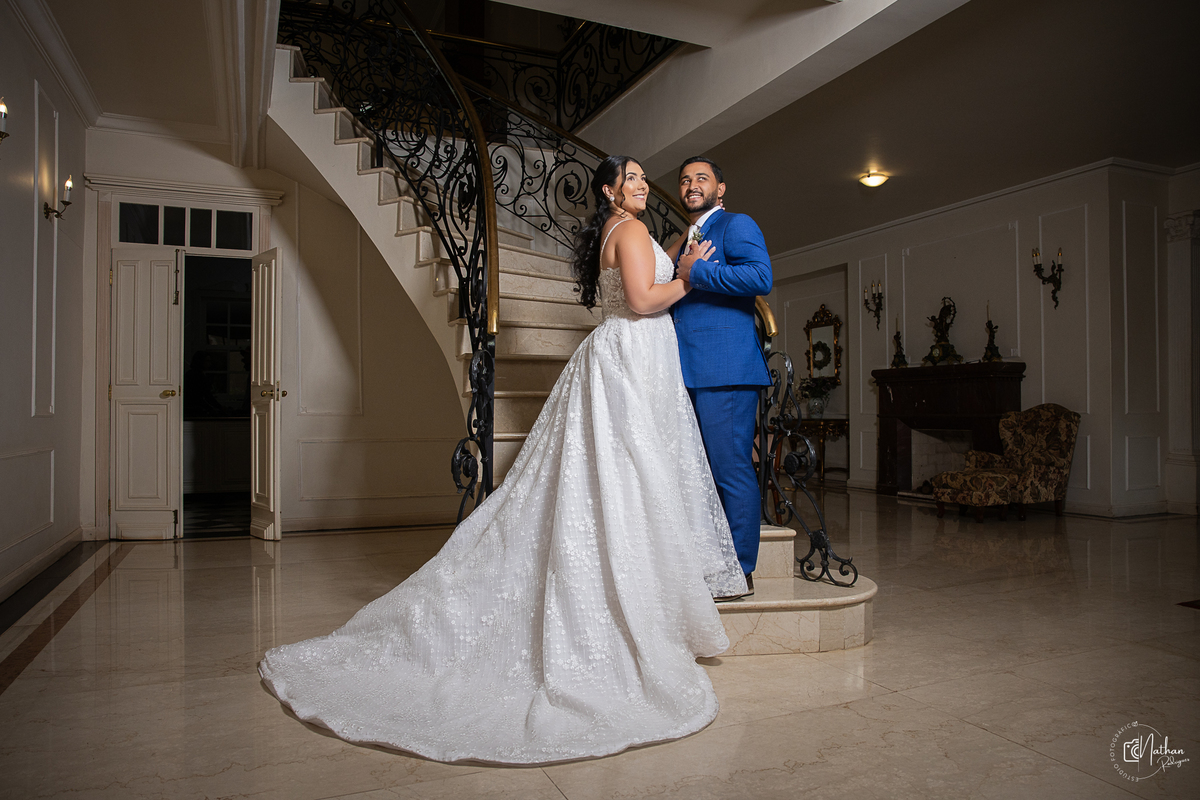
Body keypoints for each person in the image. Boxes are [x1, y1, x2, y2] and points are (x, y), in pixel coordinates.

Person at [258, 155, 747, 765]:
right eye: (632, 178)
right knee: (629, 476)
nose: (644, 184)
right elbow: (645, 300)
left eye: (646, 177)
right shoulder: (628, 230)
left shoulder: (622, 230)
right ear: (609, 191)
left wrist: (680, 255)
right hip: (633, 350)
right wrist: (691, 278)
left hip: (626, 354)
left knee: (628, 476)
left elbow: (643, 279)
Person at [668, 157, 774, 595]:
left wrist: (698, 272)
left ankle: (740, 571)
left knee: (730, 470)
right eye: (684, 180)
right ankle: (709, 562)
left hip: (725, 370)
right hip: (685, 371)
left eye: (702, 178)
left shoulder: (736, 224)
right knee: (698, 473)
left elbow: (760, 277)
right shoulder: (685, 238)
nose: (691, 185)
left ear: (720, 188)